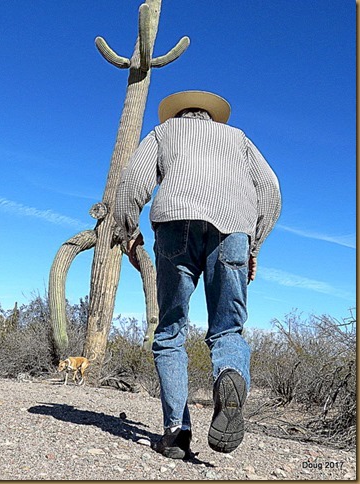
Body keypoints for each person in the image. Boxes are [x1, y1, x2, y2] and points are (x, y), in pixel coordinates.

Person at [114, 90, 281, 459]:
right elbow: (270, 191)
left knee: (170, 331)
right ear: (211, 116)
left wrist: (129, 233)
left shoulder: (163, 132)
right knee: (227, 330)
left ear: (177, 114)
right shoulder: (238, 138)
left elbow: (131, 183)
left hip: (175, 226)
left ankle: (176, 433)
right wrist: (253, 246)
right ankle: (229, 375)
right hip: (233, 229)